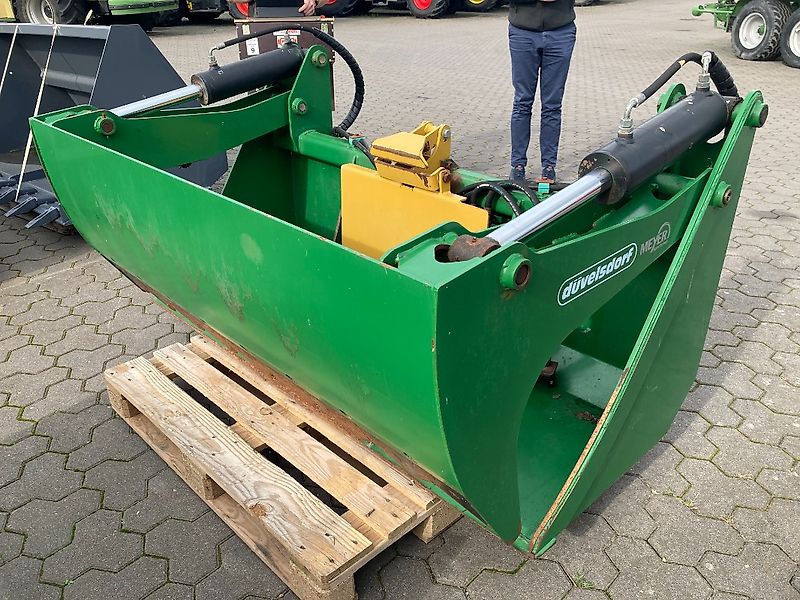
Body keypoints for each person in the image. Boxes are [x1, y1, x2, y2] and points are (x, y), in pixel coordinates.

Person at [508, 0, 576, 183]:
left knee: (552, 105)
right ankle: (517, 166)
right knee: (522, 102)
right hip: (522, 31)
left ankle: (549, 167)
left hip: (561, 31)